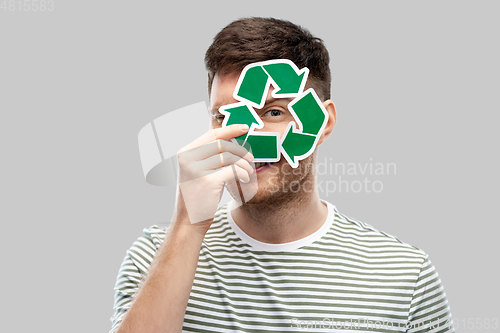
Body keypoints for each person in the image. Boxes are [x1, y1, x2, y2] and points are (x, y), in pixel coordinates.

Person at [110, 17, 454, 333]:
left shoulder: (406, 276)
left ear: (325, 122)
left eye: (274, 112)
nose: (244, 138)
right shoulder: (155, 256)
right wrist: (188, 225)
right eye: (224, 117)